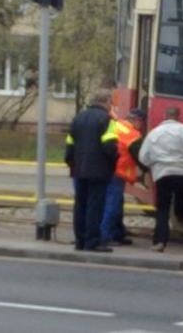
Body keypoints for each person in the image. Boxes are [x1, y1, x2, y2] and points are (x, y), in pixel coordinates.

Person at [138, 106, 183, 252]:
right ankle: (181, 212)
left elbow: (143, 157)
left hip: (162, 173)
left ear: (164, 115)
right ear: (179, 116)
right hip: (182, 172)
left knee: (163, 208)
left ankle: (160, 241)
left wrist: (152, 165)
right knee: (181, 191)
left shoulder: (154, 133)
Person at [64, 90, 119, 253]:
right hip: (99, 170)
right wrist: (114, 159)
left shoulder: (78, 118)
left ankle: (79, 241)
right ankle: (92, 242)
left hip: (79, 169)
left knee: (80, 205)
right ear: (106, 102)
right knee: (95, 206)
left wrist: (72, 164)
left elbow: (69, 145)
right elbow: (109, 147)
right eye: (111, 102)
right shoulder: (107, 120)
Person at [101, 108, 146, 246]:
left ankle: (116, 233)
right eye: (142, 123)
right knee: (112, 206)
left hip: (106, 169)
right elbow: (139, 156)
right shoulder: (132, 134)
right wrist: (147, 169)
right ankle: (105, 236)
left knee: (113, 204)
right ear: (137, 121)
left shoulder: (116, 124)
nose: (142, 126)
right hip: (118, 172)